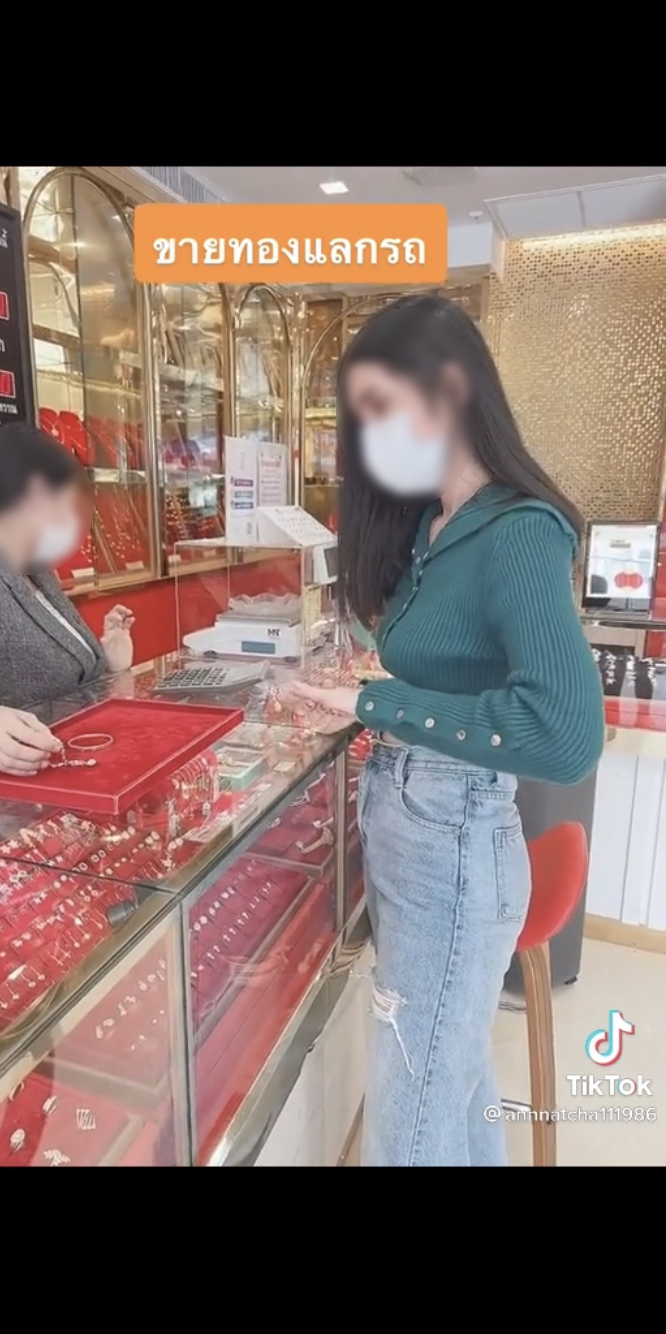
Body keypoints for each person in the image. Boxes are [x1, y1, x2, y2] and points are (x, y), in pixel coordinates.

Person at [288, 294, 604, 1168]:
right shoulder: (435, 528)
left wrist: (380, 705)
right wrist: (378, 685)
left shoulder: (517, 531)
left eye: (382, 409)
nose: (372, 438)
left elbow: (566, 733)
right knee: (450, 1087)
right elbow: (450, 668)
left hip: (453, 843)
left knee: (412, 1117)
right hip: (420, 831)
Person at [0, 423, 135, 772]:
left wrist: (109, 665)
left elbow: (64, 688)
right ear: (37, 493)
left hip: (69, 777)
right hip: (2, 798)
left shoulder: (38, 575)